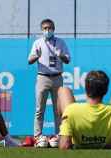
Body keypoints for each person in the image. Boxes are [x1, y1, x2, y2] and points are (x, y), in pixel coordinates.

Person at [58, 70, 111, 150]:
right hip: (109, 142)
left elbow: (64, 146)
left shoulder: (70, 110)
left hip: (76, 140)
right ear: (106, 91)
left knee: (63, 90)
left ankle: (63, 133)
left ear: (85, 88)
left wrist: (65, 138)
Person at [28, 18, 71, 147]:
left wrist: (61, 55)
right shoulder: (38, 43)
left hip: (57, 77)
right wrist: (36, 56)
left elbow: (68, 60)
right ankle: (37, 136)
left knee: (58, 110)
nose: (48, 30)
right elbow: (29, 60)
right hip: (43, 77)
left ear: (54, 29)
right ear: (42, 30)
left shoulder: (61, 42)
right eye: (45, 28)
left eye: (50, 28)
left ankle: (59, 135)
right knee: (39, 109)